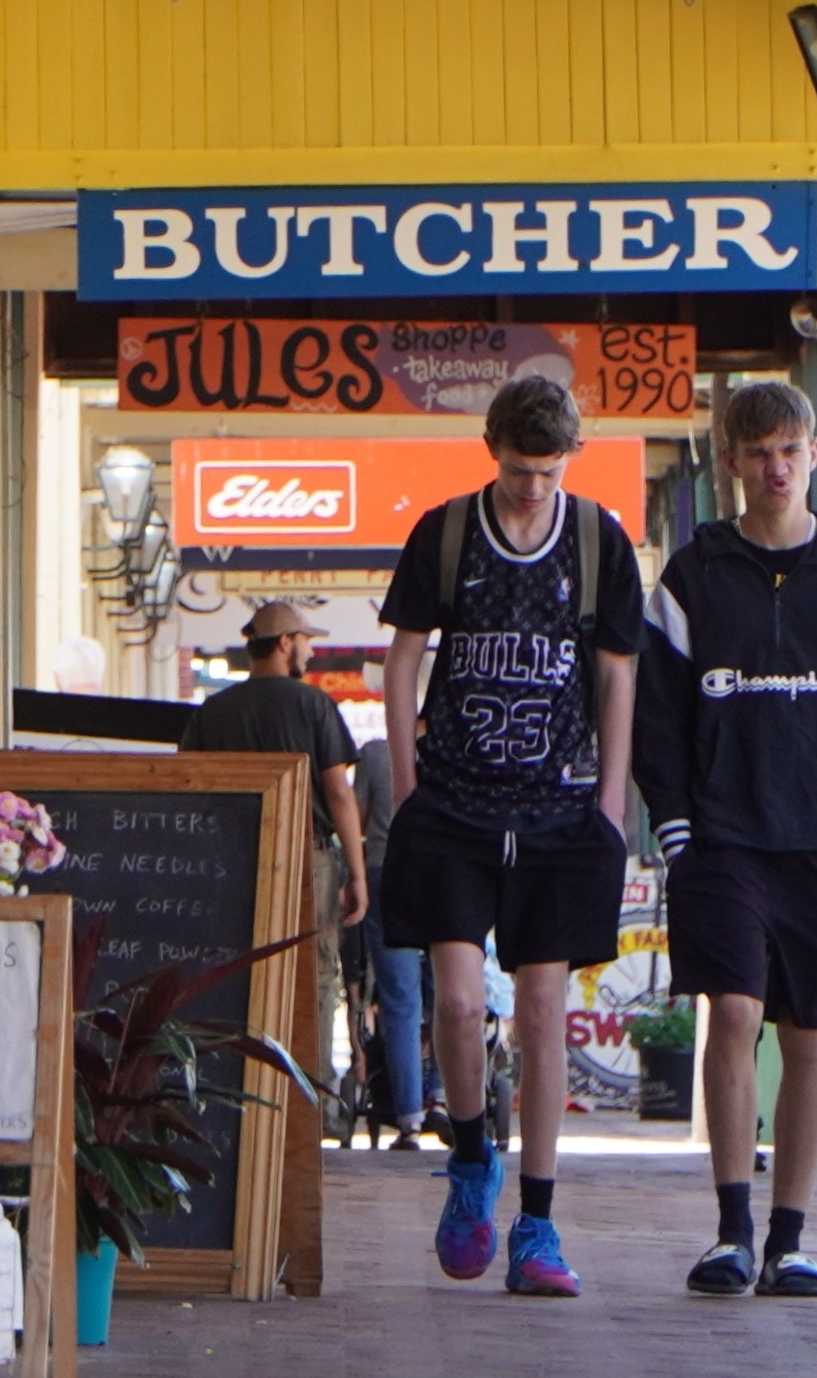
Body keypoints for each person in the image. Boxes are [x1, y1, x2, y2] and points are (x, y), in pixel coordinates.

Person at [635, 379, 817, 1301]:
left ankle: (790, 1239)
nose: (777, 465)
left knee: (812, 1034)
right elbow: (657, 717)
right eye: (758, 451)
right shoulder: (693, 574)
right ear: (732, 462)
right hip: (721, 840)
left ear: (813, 457)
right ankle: (730, 1228)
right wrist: (678, 833)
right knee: (736, 1013)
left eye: (791, 448)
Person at [377, 375, 643, 1299]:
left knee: (541, 1009)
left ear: (573, 454)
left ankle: (537, 1221)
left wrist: (610, 803)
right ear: (491, 449)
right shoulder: (448, 532)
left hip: (562, 804)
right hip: (454, 800)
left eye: (550, 466)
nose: (534, 484)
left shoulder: (600, 541)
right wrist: (409, 787)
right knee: (454, 1003)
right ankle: (468, 1158)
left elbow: (616, 676)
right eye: (519, 466)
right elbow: (404, 658)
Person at [182, 601, 371, 1082]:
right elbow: (339, 794)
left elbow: (189, 789)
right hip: (308, 858)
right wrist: (358, 872)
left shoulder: (214, 711)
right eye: (306, 640)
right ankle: (314, 1096)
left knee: (240, 967)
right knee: (316, 973)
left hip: (233, 858)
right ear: (285, 642)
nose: (309, 650)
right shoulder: (313, 705)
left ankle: (238, 1086)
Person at [349, 728, 433, 1144]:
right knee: (453, 988)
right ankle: (444, 1097)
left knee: (400, 1000)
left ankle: (409, 1119)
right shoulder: (460, 749)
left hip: (387, 873)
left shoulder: (376, 754)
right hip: (447, 873)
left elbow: (357, 816)